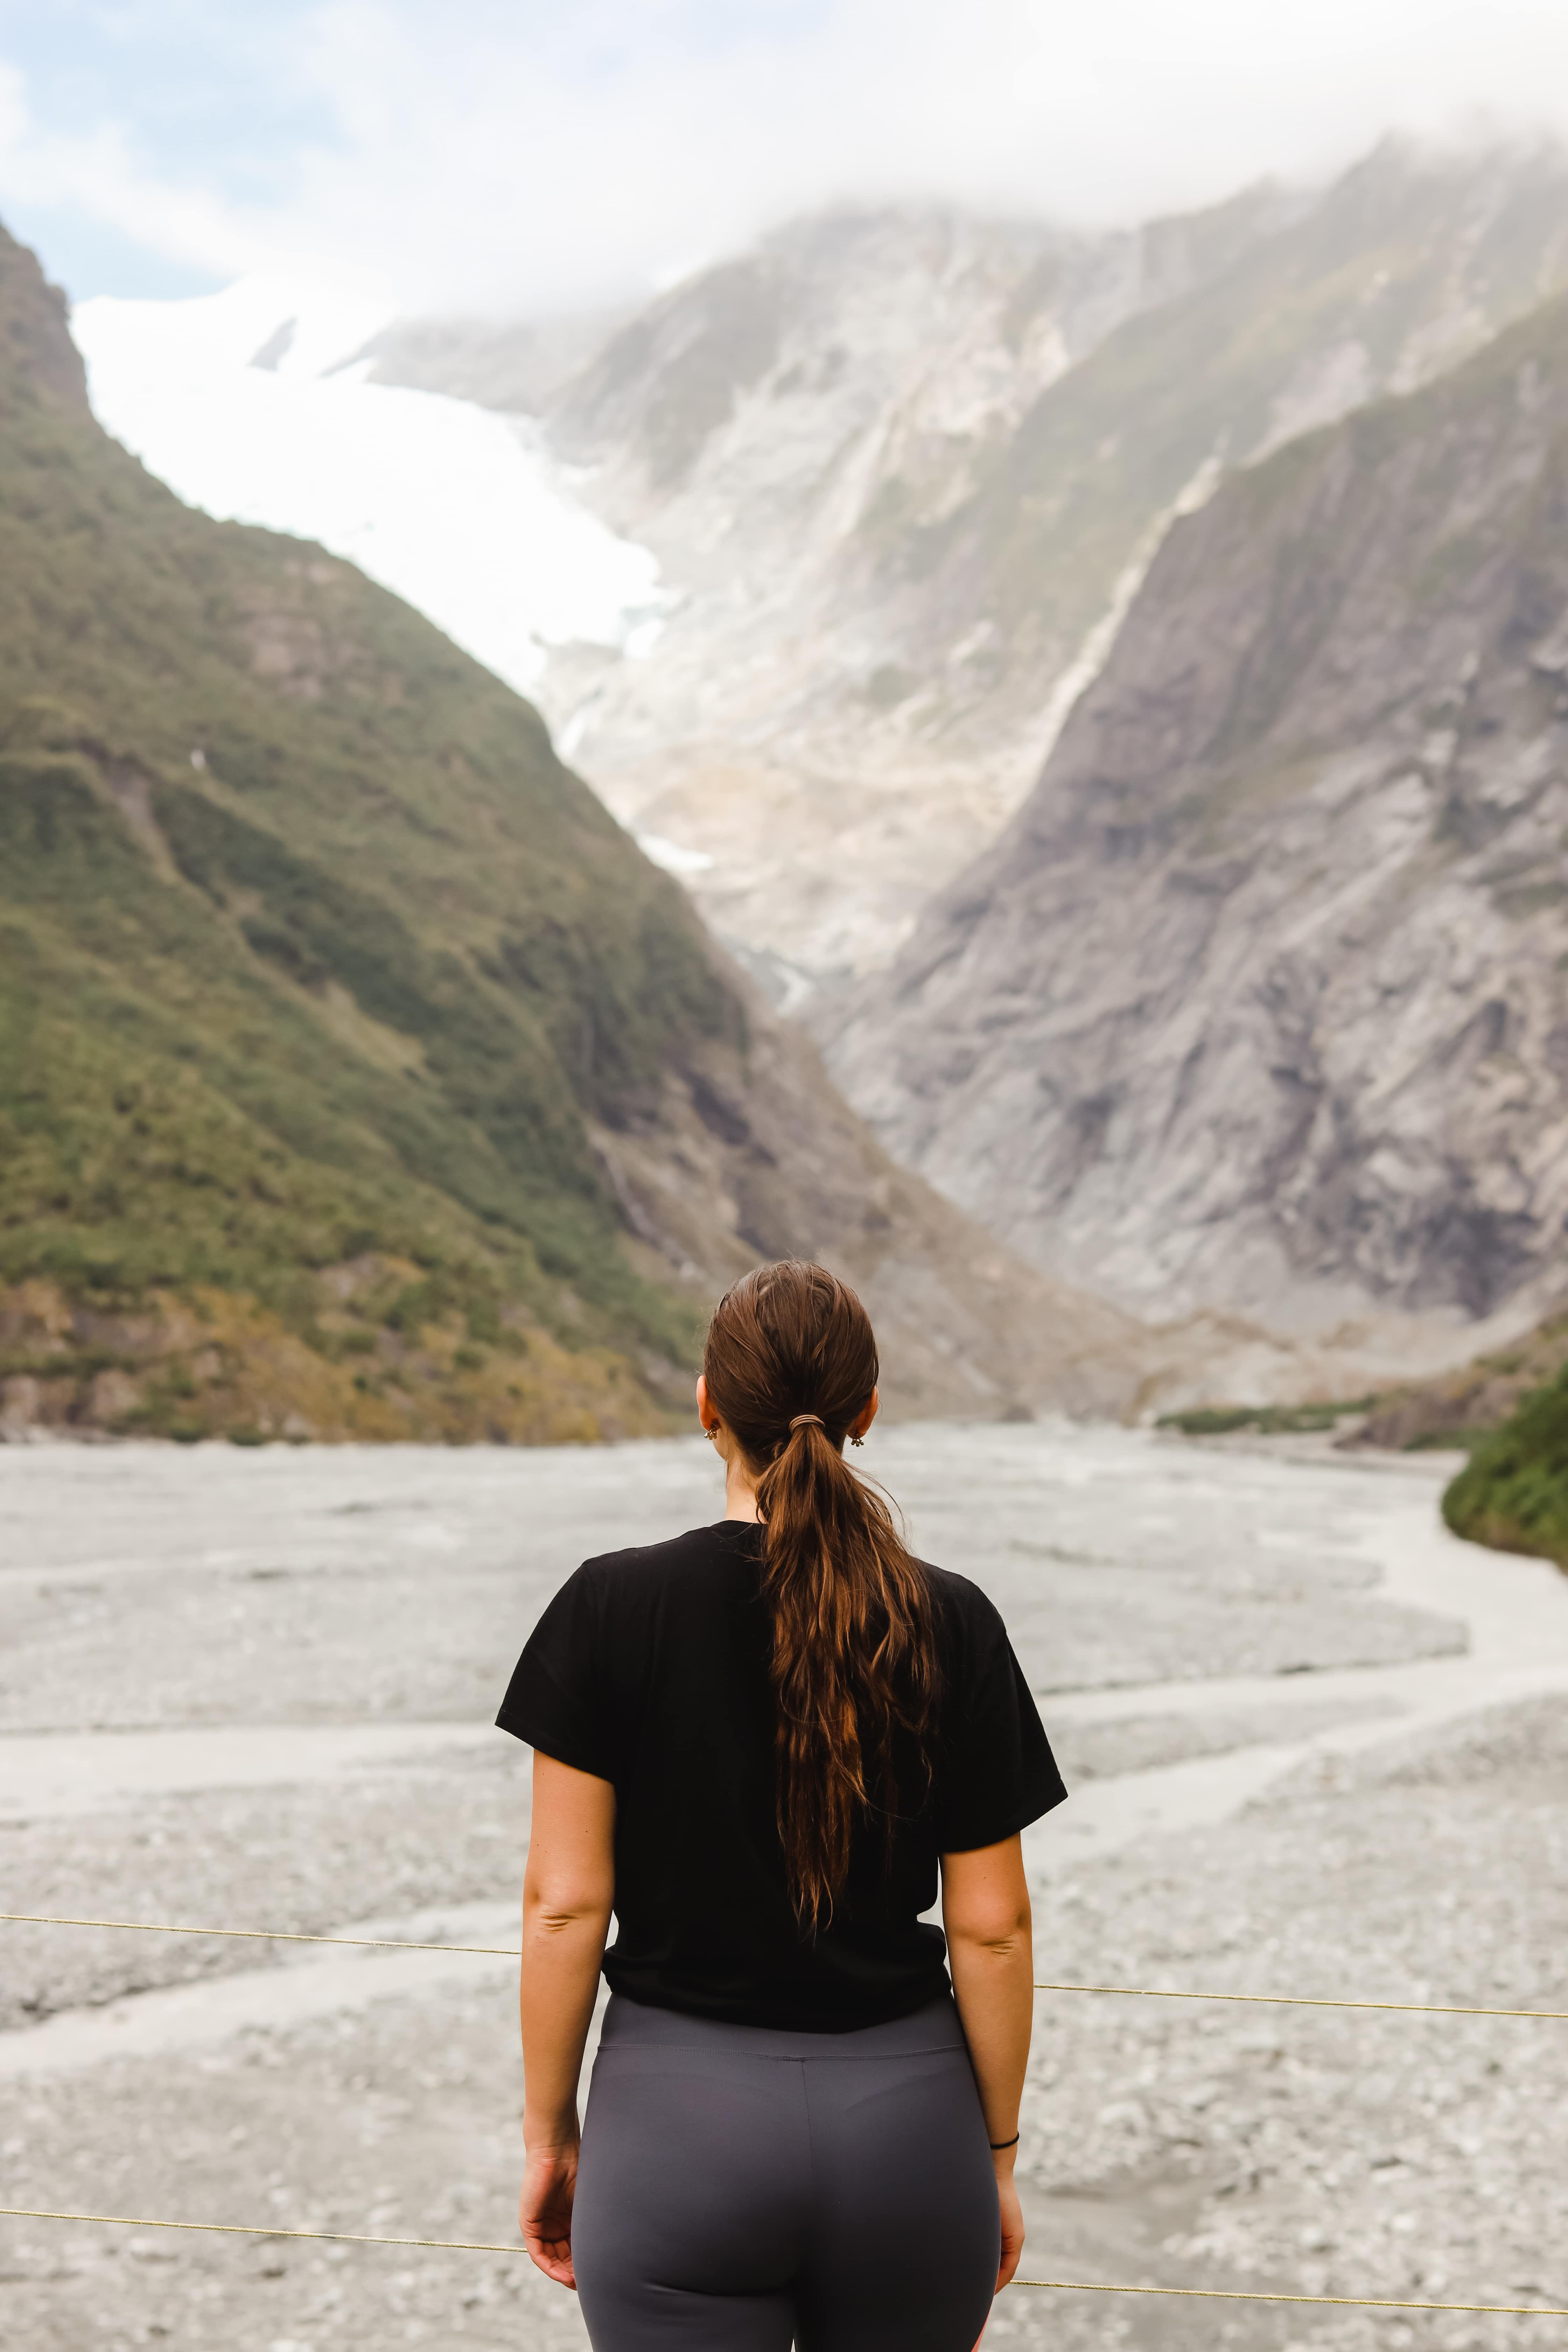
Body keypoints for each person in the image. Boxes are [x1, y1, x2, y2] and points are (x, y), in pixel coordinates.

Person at [496, 1259, 1066, 2352]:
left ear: (707, 1406)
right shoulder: (953, 1620)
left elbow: (564, 1908)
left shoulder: (608, 1607)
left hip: (675, 2134)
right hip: (908, 2136)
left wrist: (551, 2141)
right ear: (867, 1413)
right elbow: (992, 1927)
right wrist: (989, 2160)